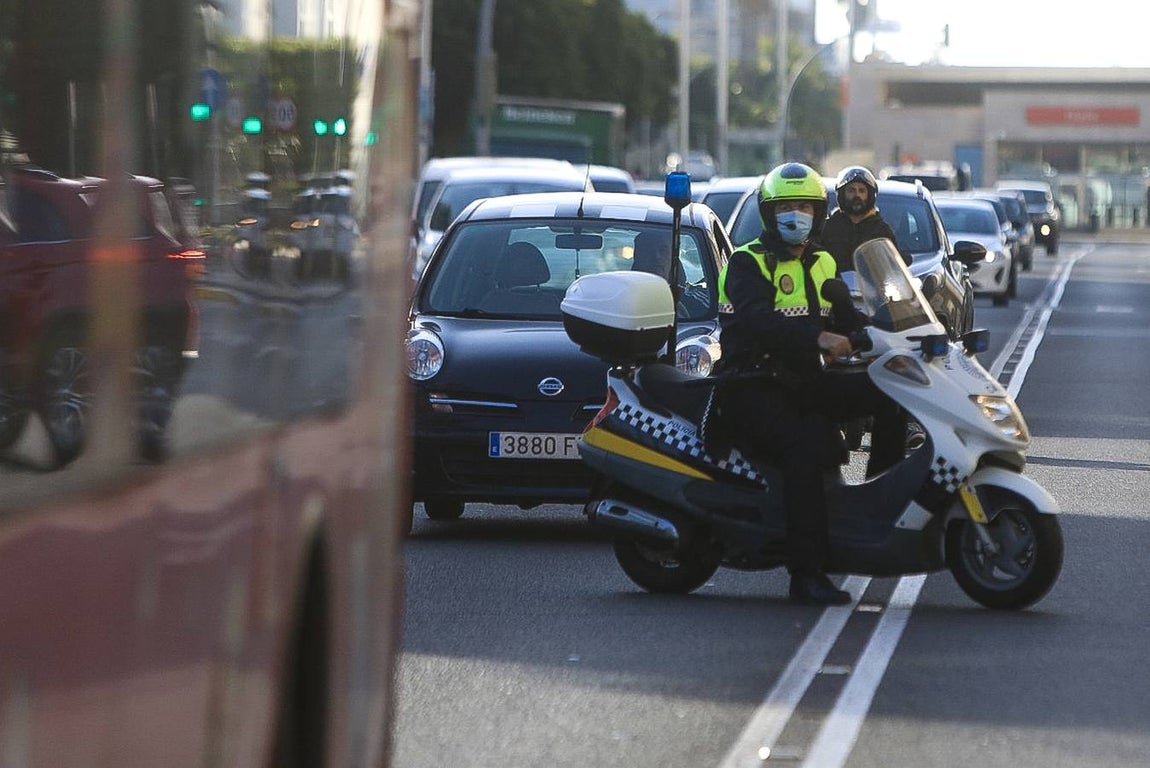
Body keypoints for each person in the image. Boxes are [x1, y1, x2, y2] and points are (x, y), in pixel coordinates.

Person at [712, 162, 906, 606]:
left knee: (893, 392)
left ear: (818, 215)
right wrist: (819, 337)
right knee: (807, 448)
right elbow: (760, 322)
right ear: (769, 214)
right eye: (786, 207)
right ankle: (806, 574)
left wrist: (886, 336)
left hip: (803, 381)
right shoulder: (747, 262)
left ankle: (875, 509)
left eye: (804, 207)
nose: (795, 215)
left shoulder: (821, 262)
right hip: (750, 386)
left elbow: (846, 314)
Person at [820, 165, 899, 275]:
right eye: (851, 190)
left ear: (870, 195)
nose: (857, 195)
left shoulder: (881, 230)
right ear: (842, 194)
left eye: (862, 191)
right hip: (834, 290)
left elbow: (892, 267)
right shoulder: (828, 227)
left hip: (871, 291)